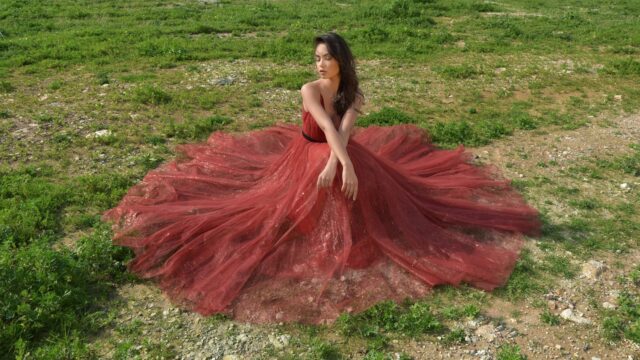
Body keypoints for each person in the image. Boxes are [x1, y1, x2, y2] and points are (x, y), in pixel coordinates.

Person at [104, 33, 540, 324]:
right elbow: (326, 128)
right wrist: (339, 162)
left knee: (362, 185)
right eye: (316, 58)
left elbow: (345, 131)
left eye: (326, 57)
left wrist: (343, 160)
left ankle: (354, 228)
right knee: (316, 181)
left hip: (340, 151)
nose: (319, 64)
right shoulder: (308, 90)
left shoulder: (352, 92)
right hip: (308, 151)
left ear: (341, 60)